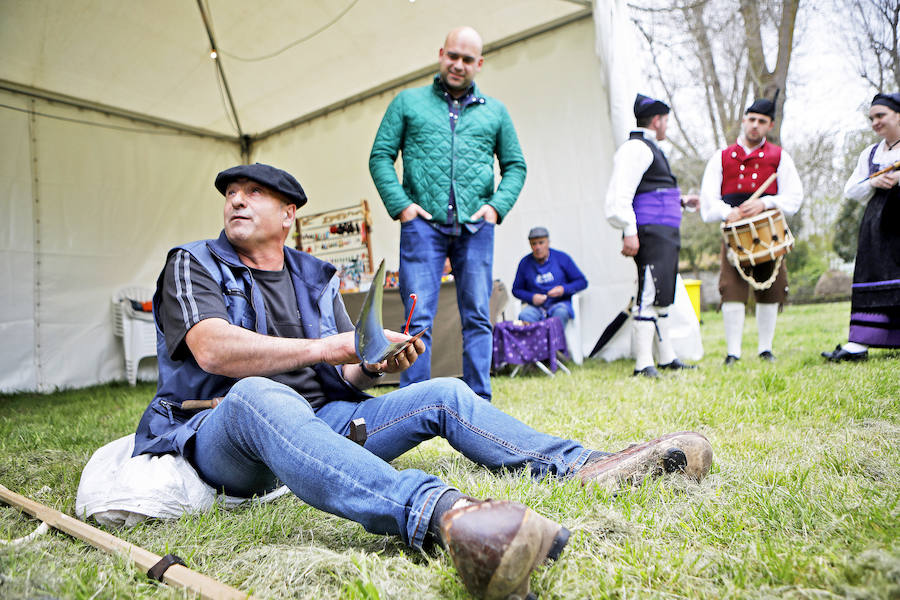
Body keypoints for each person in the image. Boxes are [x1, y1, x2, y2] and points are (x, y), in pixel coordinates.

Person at [132, 163, 713, 599]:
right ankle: (446, 517)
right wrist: (333, 347)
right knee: (261, 395)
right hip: (221, 427)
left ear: (288, 215)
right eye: (231, 193)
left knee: (446, 391)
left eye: (254, 192)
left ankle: (587, 466)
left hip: (323, 422)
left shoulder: (316, 277)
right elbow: (210, 349)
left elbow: (346, 368)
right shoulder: (193, 262)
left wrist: (376, 365)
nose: (236, 198)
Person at [368, 26, 526, 401]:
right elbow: (380, 156)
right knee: (416, 321)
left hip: (476, 229)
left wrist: (494, 208)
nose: (458, 64)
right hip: (422, 228)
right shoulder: (408, 103)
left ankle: (479, 405)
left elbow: (515, 165)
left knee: (477, 318)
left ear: (479, 64)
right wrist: (402, 206)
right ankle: (414, 408)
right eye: (452, 56)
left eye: (467, 59)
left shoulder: (496, 113)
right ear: (441, 54)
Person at [700, 97, 803, 365]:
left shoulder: (779, 157)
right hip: (734, 234)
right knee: (731, 288)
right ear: (744, 120)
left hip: (769, 234)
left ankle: (765, 349)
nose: (755, 125)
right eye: (751, 119)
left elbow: (794, 198)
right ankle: (733, 352)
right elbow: (708, 201)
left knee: (771, 289)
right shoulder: (721, 158)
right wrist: (727, 212)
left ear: (769, 125)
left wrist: (766, 202)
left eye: (762, 121)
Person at [605, 94, 700, 378]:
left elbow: (650, 190)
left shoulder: (650, 148)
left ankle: (666, 356)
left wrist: (680, 202)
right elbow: (619, 197)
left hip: (664, 233)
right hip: (650, 234)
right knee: (648, 293)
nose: (667, 126)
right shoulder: (636, 148)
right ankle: (643, 363)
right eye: (666, 120)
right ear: (657, 120)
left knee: (662, 296)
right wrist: (629, 232)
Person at [822, 92, 900, 361]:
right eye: (872, 118)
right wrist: (872, 183)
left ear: (898, 115)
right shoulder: (871, 154)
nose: (875, 123)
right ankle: (860, 343)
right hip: (876, 226)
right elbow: (851, 189)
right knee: (872, 275)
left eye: (881, 116)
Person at [511, 227, 588, 327]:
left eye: (541, 242)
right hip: (536, 307)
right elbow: (516, 290)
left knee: (559, 315)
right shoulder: (525, 263)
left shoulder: (562, 258)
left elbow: (582, 282)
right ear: (530, 245)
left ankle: (555, 342)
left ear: (548, 242)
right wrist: (532, 297)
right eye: (534, 244)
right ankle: (536, 342)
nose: (538, 247)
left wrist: (563, 289)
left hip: (560, 304)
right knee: (525, 315)